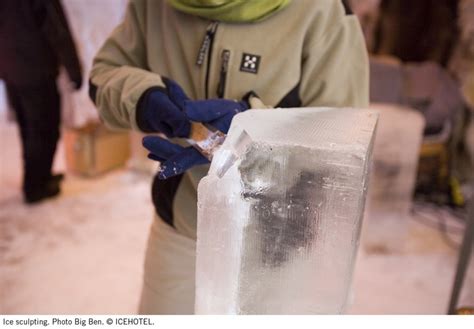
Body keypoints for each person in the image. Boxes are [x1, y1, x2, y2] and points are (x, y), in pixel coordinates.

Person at [90, 0, 368, 314]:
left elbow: (343, 146)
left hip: (275, 246)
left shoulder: (323, 11)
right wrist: (141, 96)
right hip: (181, 229)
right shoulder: (152, 5)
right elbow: (103, 74)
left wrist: (258, 132)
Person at [0, 0, 83, 204]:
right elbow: (57, 30)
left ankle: (38, 177)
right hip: (37, 69)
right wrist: (74, 70)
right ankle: (35, 187)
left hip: (12, 68)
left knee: (28, 128)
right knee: (44, 129)